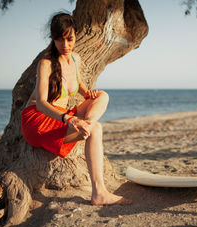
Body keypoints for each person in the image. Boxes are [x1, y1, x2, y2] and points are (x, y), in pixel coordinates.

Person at [21, 12, 131, 206]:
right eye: (60, 40)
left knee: (103, 96)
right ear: (53, 39)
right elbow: (40, 103)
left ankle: (86, 127)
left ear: (76, 36)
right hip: (38, 120)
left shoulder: (76, 59)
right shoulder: (45, 64)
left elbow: (78, 85)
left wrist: (88, 94)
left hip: (62, 118)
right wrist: (70, 120)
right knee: (96, 129)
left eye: (69, 39)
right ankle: (99, 193)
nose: (65, 45)